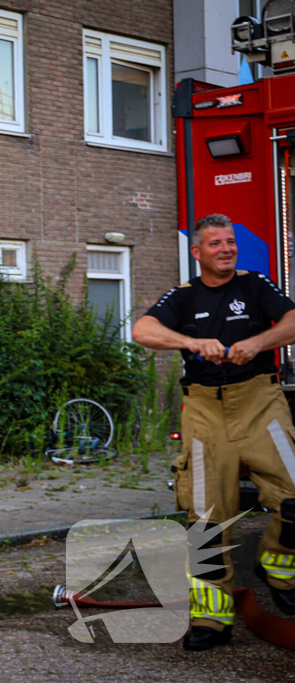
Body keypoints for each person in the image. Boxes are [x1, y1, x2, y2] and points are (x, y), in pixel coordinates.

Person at [132, 213, 295, 651]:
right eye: (217, 243)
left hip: (262, 402)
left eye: (231, 242)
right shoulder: (183, 298)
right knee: (205, 521)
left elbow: (294, 320)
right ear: (197, 251)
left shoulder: (256, 285)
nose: (226, 248)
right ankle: (211, 618)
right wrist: (190, 343)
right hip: (205, 411)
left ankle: (279, 564)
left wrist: (260, 342)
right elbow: (142, 330)